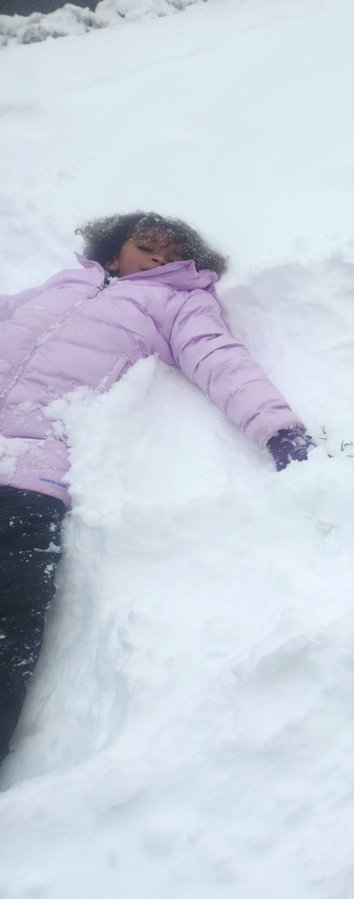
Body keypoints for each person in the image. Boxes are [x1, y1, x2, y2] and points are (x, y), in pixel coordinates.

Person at [0, 211, 312, 766]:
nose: (157, 260)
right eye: (146, 247)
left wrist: (278, 430)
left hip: (32, 476)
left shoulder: (178, 303)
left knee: (10, 616)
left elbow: (221, 360)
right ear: (114, 250)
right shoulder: (60, 283)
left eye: (172, 257)